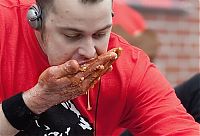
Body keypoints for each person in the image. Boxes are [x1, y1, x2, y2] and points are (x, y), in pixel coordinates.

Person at [0, 0, 199, 136]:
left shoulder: (129, 66)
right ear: (36, 20)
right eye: (72, 36)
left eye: (100, 34)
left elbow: (177, 127)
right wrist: (35, 100)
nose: (89, 51)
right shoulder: (5, 28)